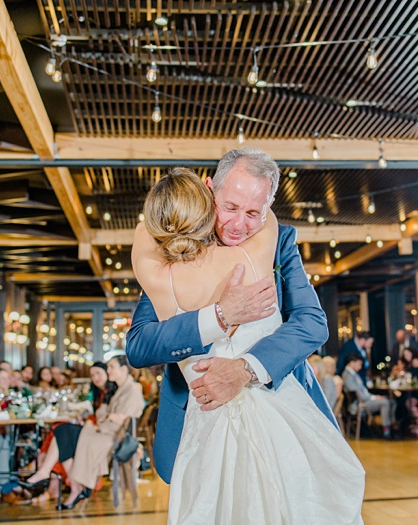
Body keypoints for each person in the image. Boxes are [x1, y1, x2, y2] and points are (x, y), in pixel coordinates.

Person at [129, 166, 363, 522]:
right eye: (231, 207)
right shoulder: (176, 257)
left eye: (254, 212)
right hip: (201, 423)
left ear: (269, 205)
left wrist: (246, 368)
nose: (240, 225)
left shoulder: (157, 265)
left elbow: (312, 324)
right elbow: (140, 345)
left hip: (278, 407)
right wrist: (219, 316)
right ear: (209, 192)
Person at [6, 356, 145, 510]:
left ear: (123, 369)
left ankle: (62, 481)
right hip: (103, 431)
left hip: (109, 437)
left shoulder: (131, 388)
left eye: (111, 367)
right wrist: (104, 417)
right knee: (62, 432)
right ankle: (64, 482)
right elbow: (109, 416)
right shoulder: (121, 389)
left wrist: (104, 418)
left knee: (63, 432)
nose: (109, 370)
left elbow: (121, 418)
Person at [340, 355, 394, 428]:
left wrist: (374, 397)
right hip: (359, 405)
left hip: (364, 400)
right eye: (359, 364)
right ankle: (387, 430)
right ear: (352, 363)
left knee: (392, 401)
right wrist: (374, 397)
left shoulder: (353, 374)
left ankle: (392, 425)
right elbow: (359, 395)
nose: (360, 367)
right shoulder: (347, 376)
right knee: (385, 402)